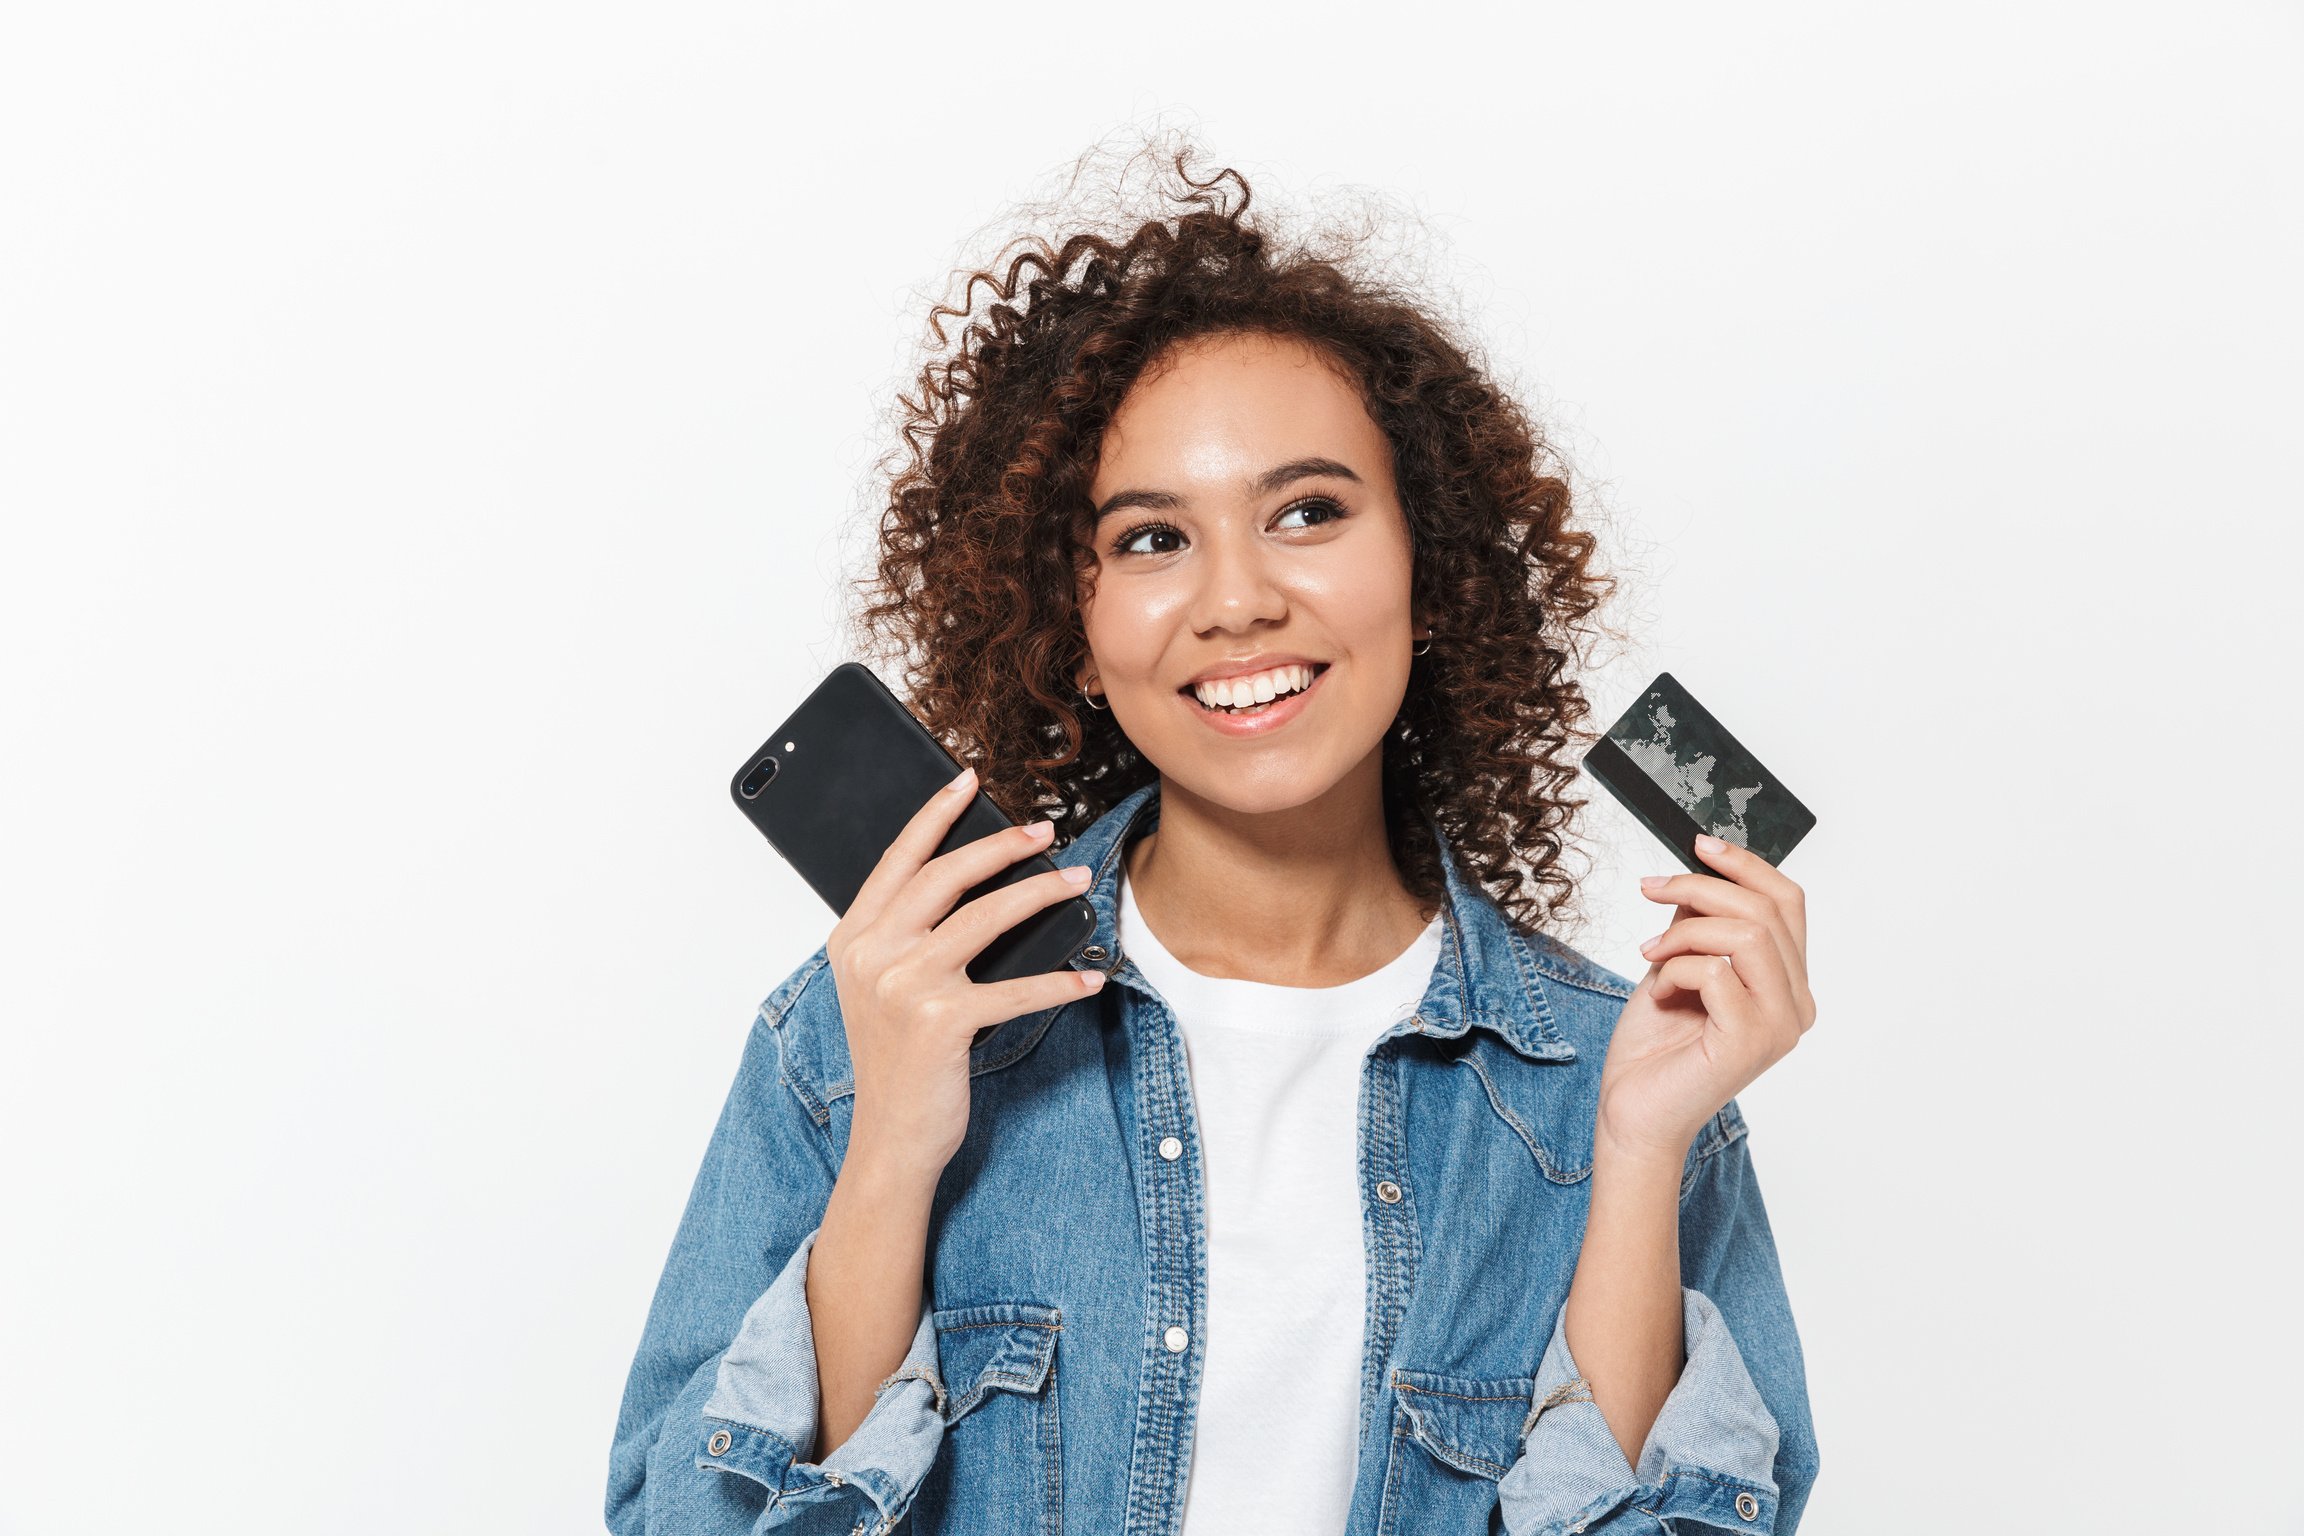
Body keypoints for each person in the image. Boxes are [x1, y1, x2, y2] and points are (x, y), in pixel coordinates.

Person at [606, 147, 1821, 1535]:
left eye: (1308, 513)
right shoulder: (879, 1019)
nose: (1236, 600)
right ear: (1076, 624)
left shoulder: (1622, 1077)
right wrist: (891, 1144)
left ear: (1429, 569)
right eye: (1150, 539)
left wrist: (1643, 1145)